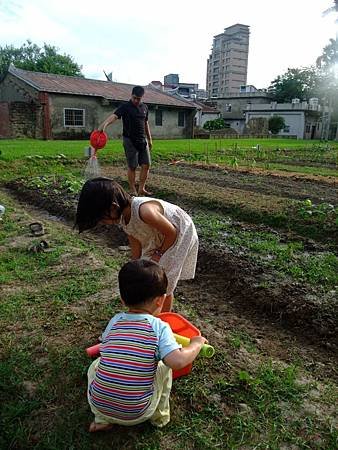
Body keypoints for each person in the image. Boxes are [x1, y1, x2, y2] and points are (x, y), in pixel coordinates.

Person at [87, 259, 207, 432]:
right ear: (160, 301)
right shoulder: (159, 327)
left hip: (98, 404)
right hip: (137, 412)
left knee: (95, 366)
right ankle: (159, 417)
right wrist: (196, 343)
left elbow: (108, 345)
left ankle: (102, 419)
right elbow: (178, 361)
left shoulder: (114, 322)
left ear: (122, 299)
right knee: (164, 367)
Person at [75, 177, 198, 313]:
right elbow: (135, 239)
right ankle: (147, 312)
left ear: (113, 207)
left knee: (163, 280)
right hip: (158, 236)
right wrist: (135, 264)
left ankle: (163, 319)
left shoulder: (144, 211)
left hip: (179, 233)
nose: (102, 223)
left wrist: (159, 253)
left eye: (102, 218)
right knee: (145, 273)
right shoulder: (123, 218)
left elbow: (171, 233)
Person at [99, 85, 152, 196]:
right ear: (131, 95)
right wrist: (105, 124)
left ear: (142, 97)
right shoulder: (125, 107)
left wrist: (150, 139)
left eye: (139, 98)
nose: (136, 100)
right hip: (129, 140)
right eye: (135, 98)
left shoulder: (145, 108)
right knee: (132, 166)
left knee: (146, 165)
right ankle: (133, 189)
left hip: (143, 140)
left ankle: (141, 188)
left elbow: (146, 123)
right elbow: (114, 116)